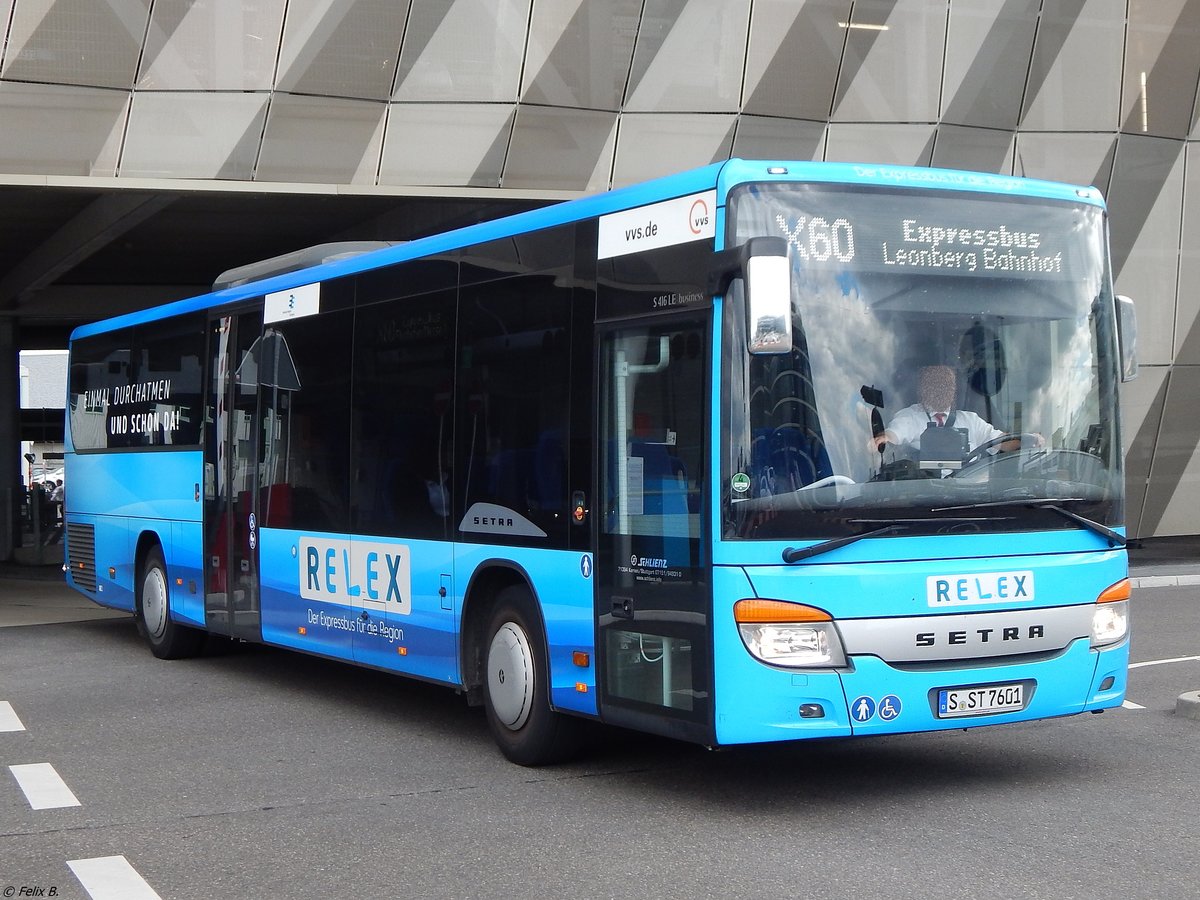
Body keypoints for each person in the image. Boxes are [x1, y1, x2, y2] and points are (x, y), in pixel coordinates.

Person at [868, 364, 1041, 456]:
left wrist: (1028, 441)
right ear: (923, 389)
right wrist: (882, 439)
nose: (942, 389)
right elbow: (894, 434)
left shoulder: (971, 420)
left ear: (953, 391)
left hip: (971, 498)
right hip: (921, 499)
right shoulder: (911, 417)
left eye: (947, 385)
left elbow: (1001, 441)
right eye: (936, 385)